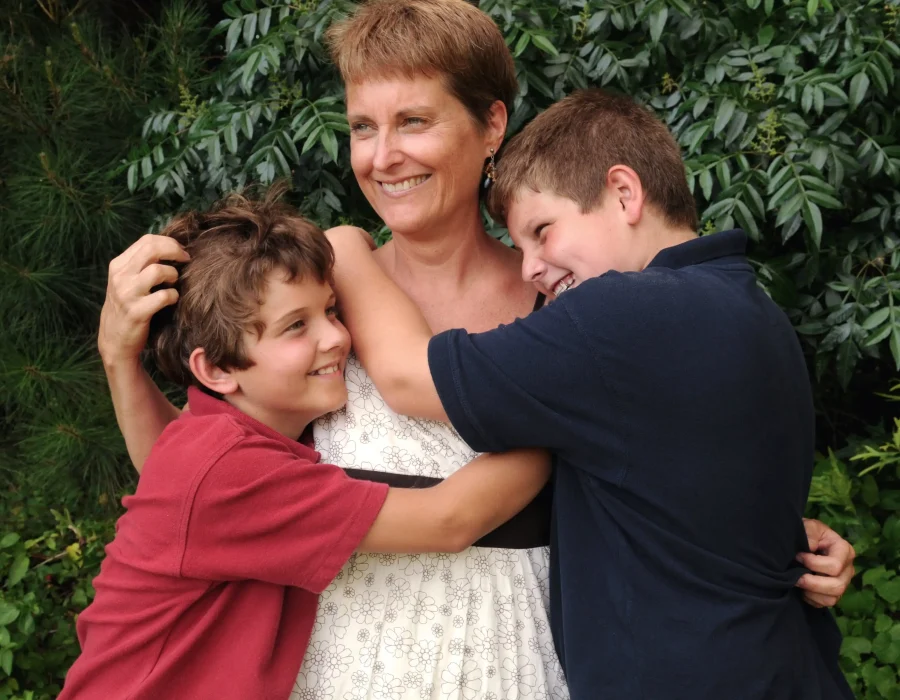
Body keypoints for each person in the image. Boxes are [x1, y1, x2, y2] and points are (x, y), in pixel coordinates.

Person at [95, 2, 854, 698]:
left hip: (524, 664)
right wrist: (119, 360)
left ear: (491, 125)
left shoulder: (573, 305)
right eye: (363, 127)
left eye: (414, 121)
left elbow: (665, 469)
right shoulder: (310, 307)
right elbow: (201, 485)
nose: (383, 156)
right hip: (345, 666)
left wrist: (774, 534)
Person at [322, 88, 855, 699]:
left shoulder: (624, 315)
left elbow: (409, 376)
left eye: (543, 231)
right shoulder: (751, 306)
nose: (530, 269)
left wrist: (343, 246)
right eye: (520, 246)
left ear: (624, 193)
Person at [59, 192, 550, 700]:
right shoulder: (230, 468)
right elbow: (449, 520)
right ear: (217, 370)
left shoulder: (210, 443)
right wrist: (563, 415)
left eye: (332, 310)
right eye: (296, 325)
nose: (336, 337)